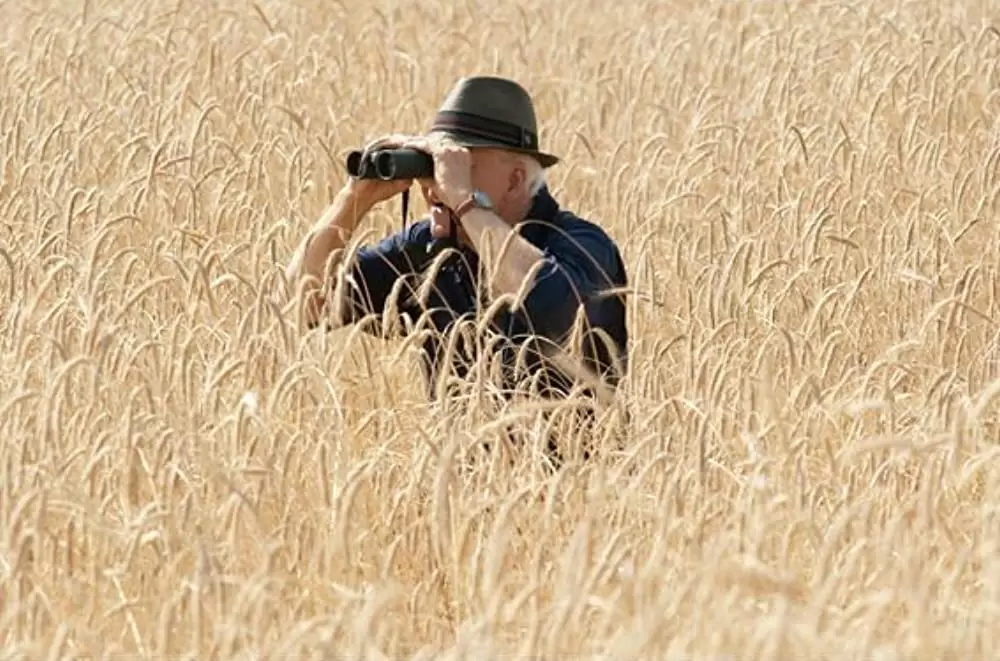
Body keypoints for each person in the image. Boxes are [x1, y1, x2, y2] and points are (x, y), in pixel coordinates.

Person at [283, 76, 629, 467]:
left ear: (515, 180)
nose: (437, 186)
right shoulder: (430, 248)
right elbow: (300, 303)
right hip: (465, 496)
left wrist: (464, 201)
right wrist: (353, 199)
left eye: (458, 167)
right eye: (434, 167)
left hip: (580, 494)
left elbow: (550, 305)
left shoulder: (583, 245)